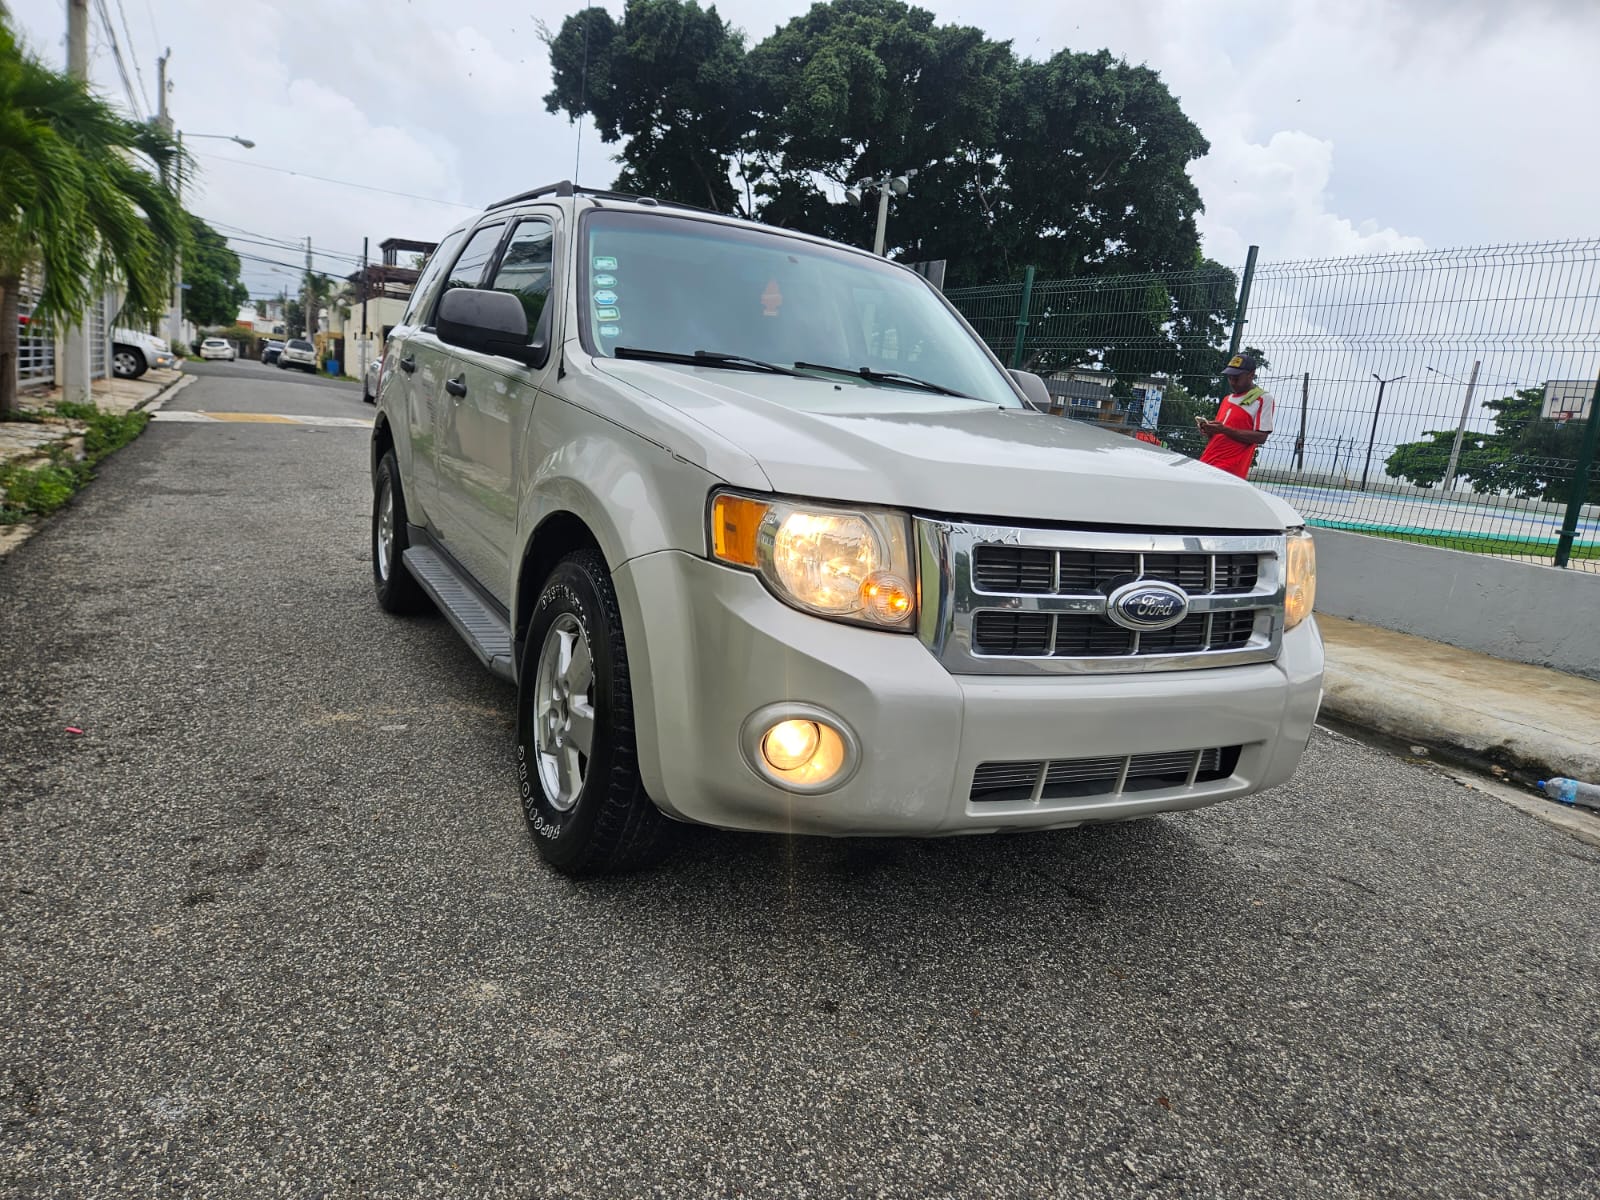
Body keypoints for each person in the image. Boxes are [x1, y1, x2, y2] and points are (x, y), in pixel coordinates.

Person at [1198, 353, 1275, 479]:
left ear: (1251, 374)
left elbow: (1261, 437)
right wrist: (1209, 430)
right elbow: (1221, 436)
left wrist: (1224, 429)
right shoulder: (1227, 399)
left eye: (1237, 378)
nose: (1232, 382)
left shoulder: (1263, 398)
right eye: (1229, 377)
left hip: (1229, 471)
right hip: (1207, 462)